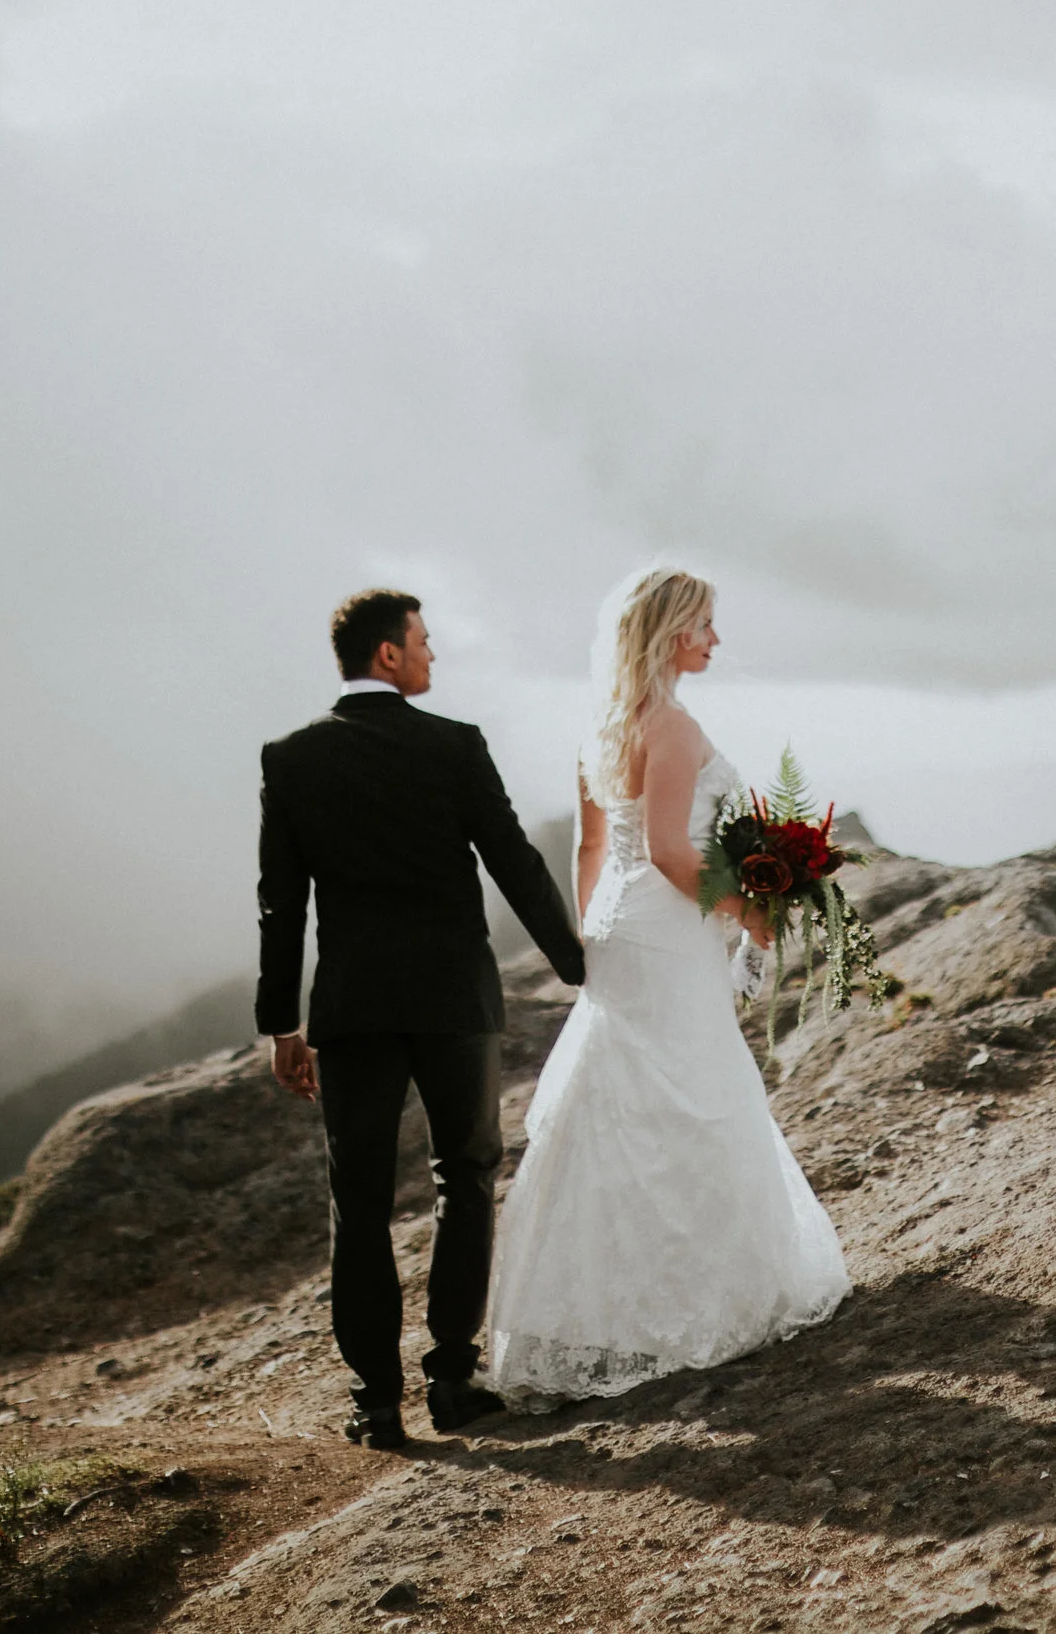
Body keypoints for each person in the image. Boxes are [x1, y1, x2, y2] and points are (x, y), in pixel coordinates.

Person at [482, 567, 850, 1408]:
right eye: (707, 624)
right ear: (672, 630)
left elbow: (589, 850)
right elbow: (669, 850)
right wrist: (750, 909)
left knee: (623, 1099)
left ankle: (593, 1307)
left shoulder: (604, 726)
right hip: (663, 923)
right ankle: (699, 1298)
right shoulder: (673, 726)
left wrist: (595, 936)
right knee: (694, 1090)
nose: (716, 640)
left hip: (618, 925)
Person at [256, 588, 586, 1449]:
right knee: (465, 1176)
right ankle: (452, 1378)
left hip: (353, 1009)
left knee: (358, 1200)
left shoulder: (292, 758)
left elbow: (280, 905)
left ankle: (375, 1401)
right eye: (425, 642)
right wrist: (580, 963)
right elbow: (514, 862)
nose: (434, 655)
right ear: (389, 656)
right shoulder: (454, 746)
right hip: (452, 999)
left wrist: (281, 1025)